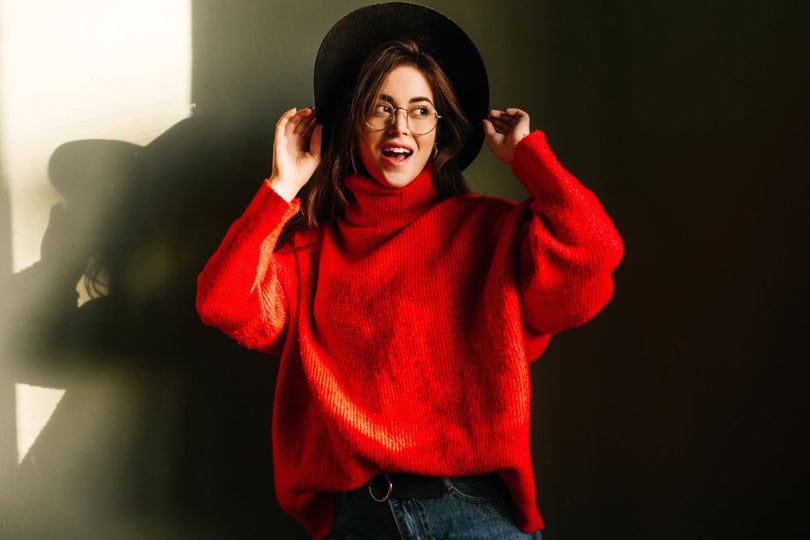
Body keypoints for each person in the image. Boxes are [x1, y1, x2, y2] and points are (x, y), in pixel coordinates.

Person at [196, 3, 623, 539]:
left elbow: (593, 253)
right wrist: (282, 188)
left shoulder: (492, 232)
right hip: (360, 519)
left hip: (474, 511)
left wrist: (530, 159)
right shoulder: (310, 255)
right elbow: (222, 302)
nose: (401, 126)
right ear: (354, 122)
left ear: (440, 131)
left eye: (421, 110)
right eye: (381, 107)